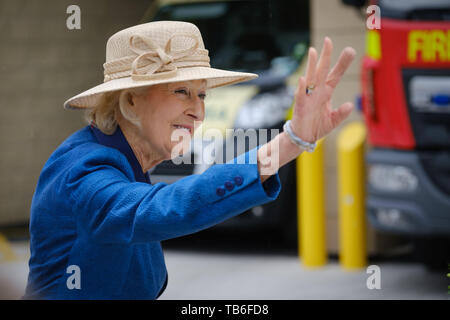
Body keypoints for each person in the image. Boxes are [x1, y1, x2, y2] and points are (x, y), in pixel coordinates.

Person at [24, 21, 355, 299]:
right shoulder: (83, 169)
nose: (198, 111)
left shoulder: (124, 161)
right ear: (130, 103)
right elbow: (164, 207)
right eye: (181, 91)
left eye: (202, 94)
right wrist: (290, 142)